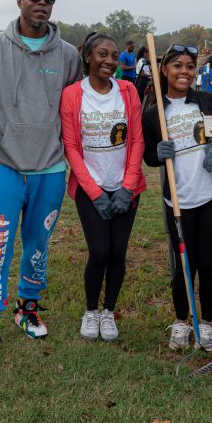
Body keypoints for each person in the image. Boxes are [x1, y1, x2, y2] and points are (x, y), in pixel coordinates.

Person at [0, 0, 81, 365]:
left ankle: (27, 306)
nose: (42, 3)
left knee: (38, 246)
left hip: (49, 168)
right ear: (19, 1)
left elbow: (72, 107)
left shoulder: (68, 55)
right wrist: (5, 134)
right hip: (2, 165)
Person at [143, 43, 212, 351]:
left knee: (208, 263)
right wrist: (157, 153)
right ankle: (182, 321)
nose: (185, 72)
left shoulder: (208, 100)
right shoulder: (155, 112)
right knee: (184, 265)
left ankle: (206, 322)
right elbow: (148, 157)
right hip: (179, 201)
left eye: (190, 66)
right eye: (178, 66)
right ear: (165, 70)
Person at [60, 32, 146, 342]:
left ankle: (109, 312)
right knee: (99, 251)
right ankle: (91, 311)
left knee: (118, 251)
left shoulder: (127, 90)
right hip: (90, 187)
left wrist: (127, 187)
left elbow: (136, 139)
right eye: (102, 54)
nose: (109, 61)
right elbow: (71, 146)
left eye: (113, 55)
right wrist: (95, 193)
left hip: (125, 187)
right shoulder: (72, 94)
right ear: (87, 56)